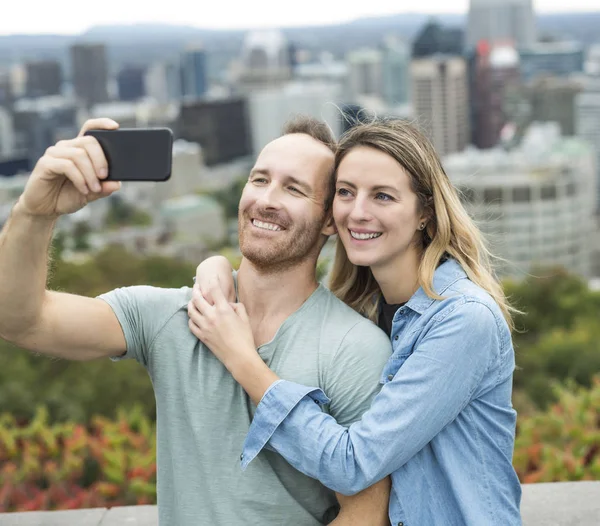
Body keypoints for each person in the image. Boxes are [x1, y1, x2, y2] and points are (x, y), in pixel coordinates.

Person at [0, 117, 394, 525]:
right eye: (259, 180)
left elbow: (365, 514)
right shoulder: (170, 317)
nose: (267, 199)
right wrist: (35, 211)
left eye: (293, 188)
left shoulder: (356, 349)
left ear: (330, 219)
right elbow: (21, 321)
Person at [190, 118, 523, 526]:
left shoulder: (462, 320)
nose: (358, 212)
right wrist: (216, 266)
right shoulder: (363, 311)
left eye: (382, 196)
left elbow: (353, 464)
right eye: (346, 192)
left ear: (425, 214)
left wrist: (242, 359)